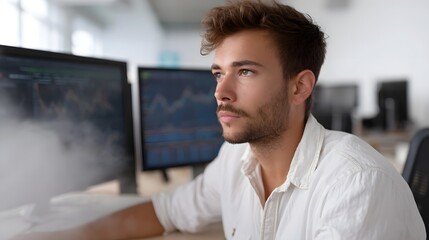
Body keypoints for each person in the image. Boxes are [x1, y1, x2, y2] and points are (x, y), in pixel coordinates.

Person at [14, 0, 425, 239]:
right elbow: (165, 211)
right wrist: (62, 236)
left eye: (244, 72)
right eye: (218, 73)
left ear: (299, 87)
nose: (220, 92)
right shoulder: (237, 161)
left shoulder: (354, 184)